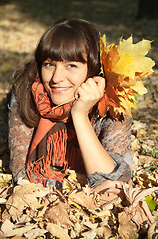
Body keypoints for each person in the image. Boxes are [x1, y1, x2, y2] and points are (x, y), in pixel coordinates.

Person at [8, 19, 132, 190]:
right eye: (49, 64)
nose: (56, 78)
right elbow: (23, 174)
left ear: (93, 70)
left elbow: (115, 180)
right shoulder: (27, 90)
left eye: (71, 65)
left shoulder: (113, 102)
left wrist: (79, 115)